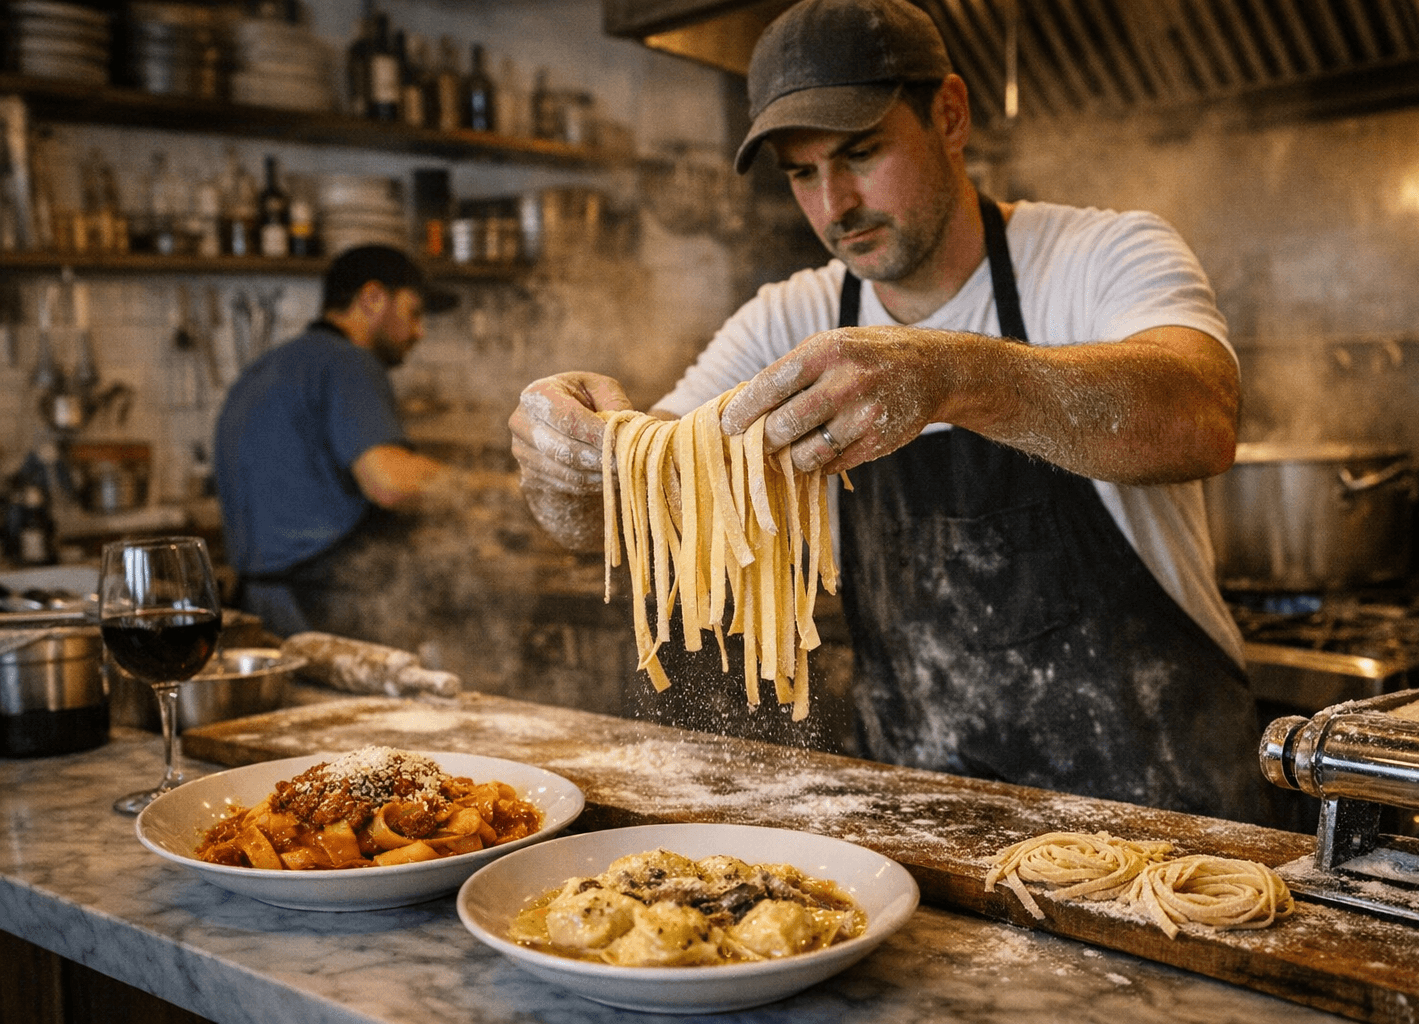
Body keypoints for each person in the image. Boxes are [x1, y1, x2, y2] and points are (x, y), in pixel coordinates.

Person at [509, 0, 1273, 823]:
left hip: (1167, 814)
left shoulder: (1099, 256)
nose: (835, 204)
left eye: (861, 152)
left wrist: (949, 373)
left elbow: (1200, 415)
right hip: (925, 816)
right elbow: (623, 512)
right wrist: (570, 457)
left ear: (949, 114)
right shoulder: (787, 318)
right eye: (802, 173)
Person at [215, 244, 456, 637]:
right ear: (373, 298)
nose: (419, 332)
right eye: (414, 313)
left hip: (258, 605)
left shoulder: (266, 368)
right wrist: (490, 488)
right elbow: (389, 483)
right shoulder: (349, 362)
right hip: (323, 608)